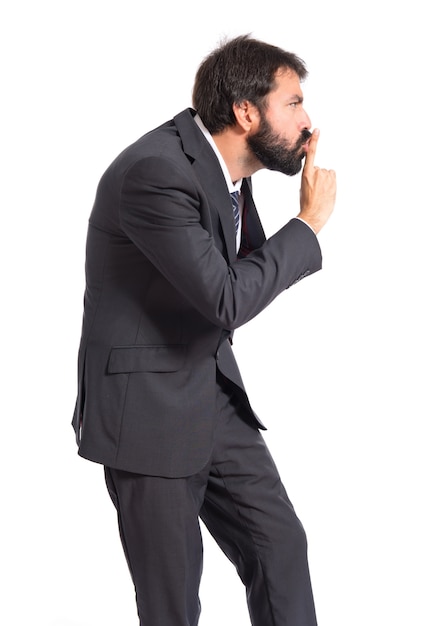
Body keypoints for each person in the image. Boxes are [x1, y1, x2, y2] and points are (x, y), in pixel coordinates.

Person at [71, 34, 336, 626]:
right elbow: (226, 297)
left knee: (280, 548)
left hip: (209, 394)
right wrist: (309, 224)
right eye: (293, 103)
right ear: (247, 112)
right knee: (173, 605)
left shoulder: (229, 172)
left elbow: (243, 276)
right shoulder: (154, 172)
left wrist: (292, 229)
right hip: (146, 412)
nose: (308, 121)